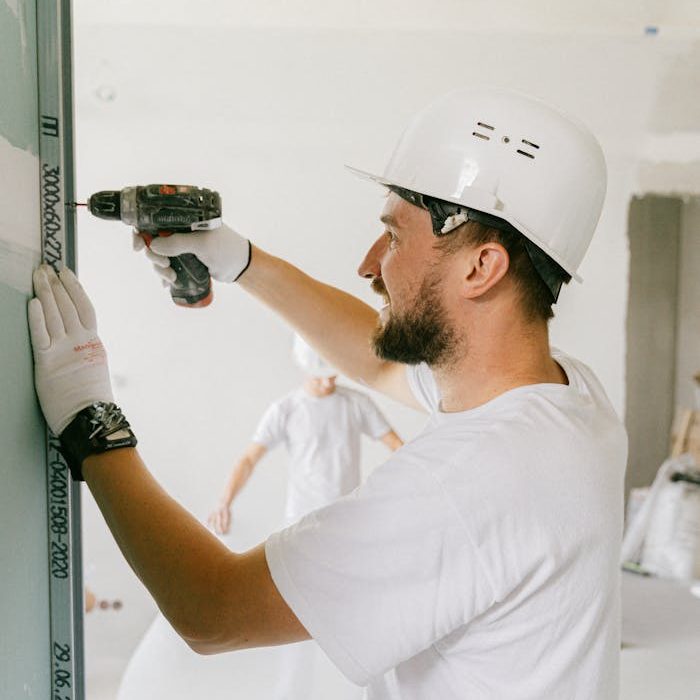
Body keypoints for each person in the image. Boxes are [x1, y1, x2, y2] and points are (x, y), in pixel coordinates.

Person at [28, 87, 628, 699]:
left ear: (481, 267)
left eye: (393, 237)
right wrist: (242, 261)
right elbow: (379, 363)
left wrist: (89, 418)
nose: (368, 265)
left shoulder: (468, 483)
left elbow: (212, 611)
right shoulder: (570, 399)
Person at [208, 334, 403, 536]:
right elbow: (249, 459)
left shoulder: (357, 403)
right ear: (304, 368)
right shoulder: (286, 410)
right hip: (300, 522)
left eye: (332, 375)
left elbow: (397, 445)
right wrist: (225, 502)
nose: (327, 383)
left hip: (348, 520)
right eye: (319, 377)